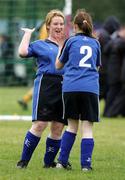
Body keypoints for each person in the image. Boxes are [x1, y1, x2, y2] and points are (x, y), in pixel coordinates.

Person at [17, 9, 66, 169]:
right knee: (40, 124)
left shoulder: (69, 45)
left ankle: (48, 163)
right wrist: (28, 34)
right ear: (48, 26)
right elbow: (23, 52)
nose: (59, 26)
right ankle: (23, 162)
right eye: (55, 24)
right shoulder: (40, 44)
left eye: (61, 23)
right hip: (46, 84)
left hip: (65, 87)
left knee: (58, 127)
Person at [55, 9, 101, 171]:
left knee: (71, 126)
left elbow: (58, 65)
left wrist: (60, 50)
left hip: (71, 87)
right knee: (87, 127)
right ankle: (86, 166)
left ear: (75, 26)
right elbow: (96, 67)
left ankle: (61, 162)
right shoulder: (96, 43)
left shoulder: (70, 41)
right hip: (90, 88)